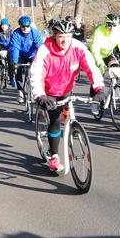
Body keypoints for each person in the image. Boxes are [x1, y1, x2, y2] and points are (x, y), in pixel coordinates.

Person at [30, 20, 105, 172]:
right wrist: (40, 95)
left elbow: (91, 68)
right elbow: (36, 73)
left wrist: (99, 88)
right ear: (55, 36)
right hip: (48, 91)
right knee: (55, 119)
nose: (65, 40)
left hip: (66, 88)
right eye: (61, 36)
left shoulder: (78, 47)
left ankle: (68, 124)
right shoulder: (45, 50)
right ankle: (54, 156)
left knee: (66, 114)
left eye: (68, 36)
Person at [8, 15, 44, 103]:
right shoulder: (16, 34)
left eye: (27, 26)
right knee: (18, 70)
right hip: (21, 55)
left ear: (30, 26)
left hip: (32, 55)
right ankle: (20, 92)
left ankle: (37, 91)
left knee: (36, 71)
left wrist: (41, 58)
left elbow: (40, 46)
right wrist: (15, 62)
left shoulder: (35, 32)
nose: (25, 28)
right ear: (20, 26)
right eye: (23, 26)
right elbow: (15, 48)